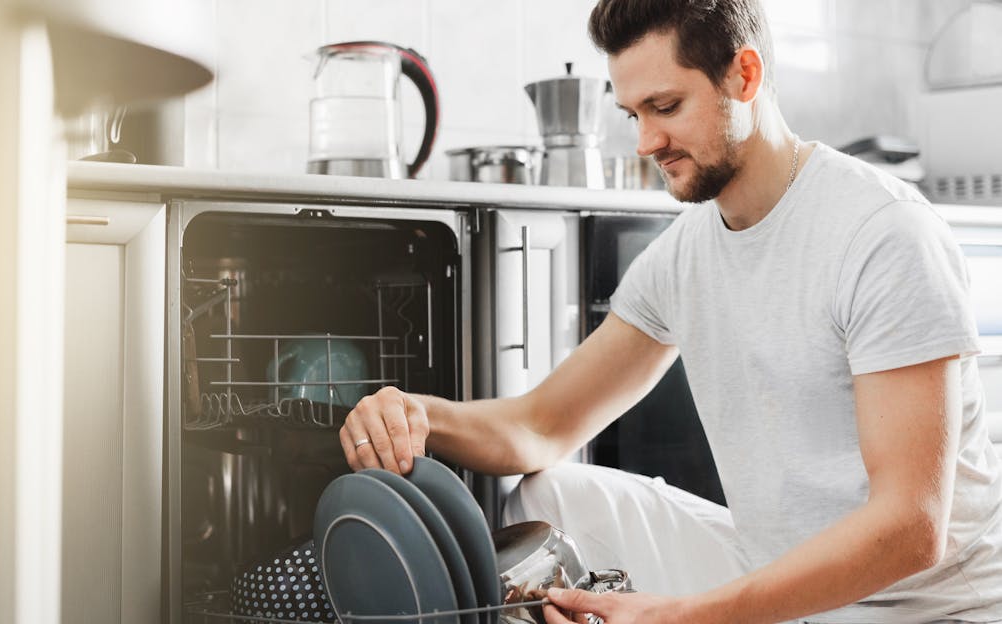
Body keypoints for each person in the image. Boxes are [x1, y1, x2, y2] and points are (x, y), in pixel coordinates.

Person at [339, 0, 1002, 622]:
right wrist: (412, 411)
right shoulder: (683, 256)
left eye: (666, 106)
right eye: (633, 115)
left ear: (744, 75)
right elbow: (540, 426)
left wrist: (686, 616)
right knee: (554, 496)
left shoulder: (881, 233)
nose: (646, 142)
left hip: (920, 607)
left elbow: (912, 528)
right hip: (776, 571)